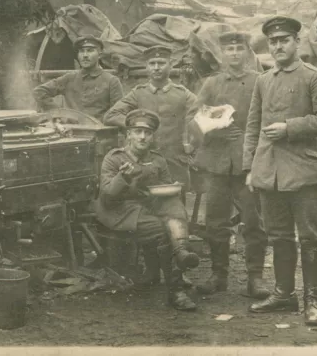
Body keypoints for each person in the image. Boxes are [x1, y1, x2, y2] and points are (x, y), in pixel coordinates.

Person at [243, 16, 317, 326]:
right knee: (279, 236)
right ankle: (284, 295)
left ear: (297, 43)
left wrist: (289, 128)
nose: (278, 45)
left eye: (284, 39)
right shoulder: (263, 80)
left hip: (303, 172)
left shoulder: (314, 78)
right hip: (269, 173)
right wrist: (250, 167)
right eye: (273, 41)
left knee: (310, 238)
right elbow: (253, 126)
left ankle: (313, 302)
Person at [103, 46, 198, 287]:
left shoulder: (182, 93)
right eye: (152, 63)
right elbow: (111, 115)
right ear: (146, 67)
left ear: (170, 66)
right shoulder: (138, 93)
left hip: (173, 163)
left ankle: (179, 270)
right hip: (142, 163)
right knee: (148, 212)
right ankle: (153, 271)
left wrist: (191, 139)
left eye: (161, 63)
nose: (156, 68)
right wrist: (136, 126)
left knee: (175, 214)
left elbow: (199, 116)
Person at [95, 109, 199, 311]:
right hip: (120, 211)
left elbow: (165, 190)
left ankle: (180, 252)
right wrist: (122, 178)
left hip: (148, 206)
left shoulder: (158, 159)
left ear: (153, 136)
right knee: (162, 231)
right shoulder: (114, 158)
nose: (143, 137)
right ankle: (176, 290)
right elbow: (107, 197)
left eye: (148, 133)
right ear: (128, 135)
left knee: (175, 208)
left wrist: (172, 187)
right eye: (138, 131)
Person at [194, 31, 269, 299]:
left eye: (239, 48)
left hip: (247, 163)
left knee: (253, 221)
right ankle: (218, 275)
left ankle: (255, 278)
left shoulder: (259, 81)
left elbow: (266, 118)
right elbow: (196, 118)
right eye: (229, 49)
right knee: (215, 221)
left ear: (247, 52)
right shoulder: (211, 84)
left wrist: (255, 148)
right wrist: (215, 130)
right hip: (216, 164)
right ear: (222, 54)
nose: (234, 53)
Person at [33, 35, 124, 122]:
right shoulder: (69, 78)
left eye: (90, 51)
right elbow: (39, 91)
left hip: (100, 134)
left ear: (99, 55)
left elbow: (117, 113)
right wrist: (59, 113)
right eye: (81, 51)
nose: (85, 55)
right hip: (71, 133)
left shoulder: (111, 81)